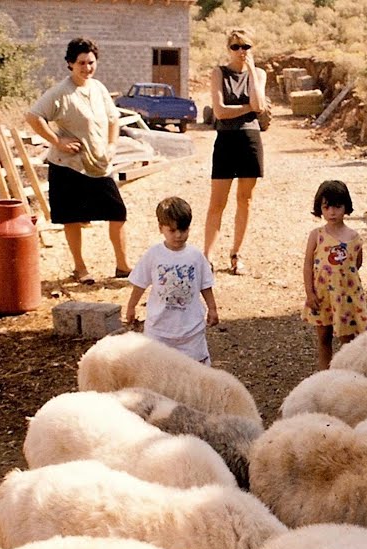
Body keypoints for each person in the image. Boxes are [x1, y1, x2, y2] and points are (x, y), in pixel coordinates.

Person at [26, 37, 131, 285]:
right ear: (70, 64)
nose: (87, 68)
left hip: (99, 165)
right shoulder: (60, 92)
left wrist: (112, 144)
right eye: (81, 63)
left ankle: (123, 266)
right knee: (72, 217)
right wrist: (57, 141)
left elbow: (113, 119)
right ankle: (80, 268)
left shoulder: (99, 88)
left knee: (118, 212)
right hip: (68, 165)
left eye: (91, 62)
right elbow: (33, 116)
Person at [204, 28, 269, 276]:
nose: (241, 51)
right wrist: (247, 107)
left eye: (246, 46)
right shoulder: (219, 73)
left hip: (250, 139)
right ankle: (207, 257)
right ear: (228, 49)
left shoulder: (258, 74)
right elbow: (219, 112)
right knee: (217, 202)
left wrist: (251, 71)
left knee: (245, 200)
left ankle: (236, 254)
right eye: (236, 47)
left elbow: (260, 106)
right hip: (226, 140)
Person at [125, 197, 219, 365]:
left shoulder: (195, 256)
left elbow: (205, 284)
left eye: (183, 230)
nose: (178, 235)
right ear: (161, 228)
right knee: (157, 369)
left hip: (191, 330)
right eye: (173, 230)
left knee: (196, 370)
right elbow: (140, 282)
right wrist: (131, 306)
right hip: (159, 330)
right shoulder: (153, 255)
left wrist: (212, 308)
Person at [302, 180, 367, 370]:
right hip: (322, 296)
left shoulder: (354, 238)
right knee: (324, 338)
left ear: (346, 206)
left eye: (337, 206)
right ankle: (325, 376)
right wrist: (310, 292)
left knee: (347, 339)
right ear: (320, 208)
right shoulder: (316, 235)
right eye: (326, 207)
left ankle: (350, 375)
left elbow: (356, 264)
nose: (332, 212)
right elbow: (307, 264)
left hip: (346, 298)